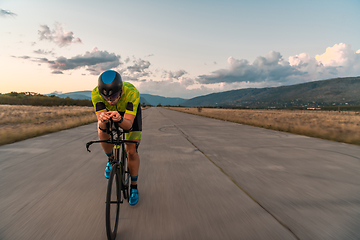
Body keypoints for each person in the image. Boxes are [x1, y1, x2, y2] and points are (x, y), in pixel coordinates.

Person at [91, 70, 142, 206]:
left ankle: (134, 187)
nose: (110, 100)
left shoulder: (132, 93)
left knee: (131, 150)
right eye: (106, 97)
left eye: (113, 95)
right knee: (101, 130)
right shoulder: (96, 93)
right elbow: (102, 123)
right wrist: (102, 120)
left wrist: (119, 119)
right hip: (110, 114)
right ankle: (111, 159)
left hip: (128, 115)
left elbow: (128, 125)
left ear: (120, 90)